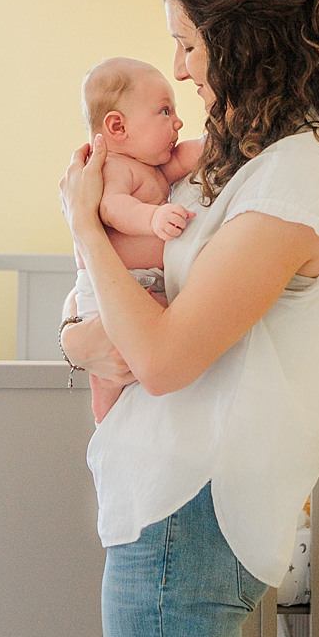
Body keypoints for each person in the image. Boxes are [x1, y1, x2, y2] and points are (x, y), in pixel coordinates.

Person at [58, 0, 319, 637]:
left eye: (190, 44)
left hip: (184, 521)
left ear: (240, 40)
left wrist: (81, 225)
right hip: (170, 505)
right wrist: (78, 337)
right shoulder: (254, 153)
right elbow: (130, 312)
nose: (184, 68)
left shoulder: (294, 181)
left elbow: (159, 358)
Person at [71, 57, 205, 422]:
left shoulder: (152, 166)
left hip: (144, 285)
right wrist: (154, 217)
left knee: (160, 350)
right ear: (117, 126)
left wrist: (216, 145)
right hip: (108, 291)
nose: (177, 121)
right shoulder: (112, 169)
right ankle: (106, 415)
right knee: (111, 375)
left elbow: (187, 157)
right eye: (164, 111)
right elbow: (114, 209)